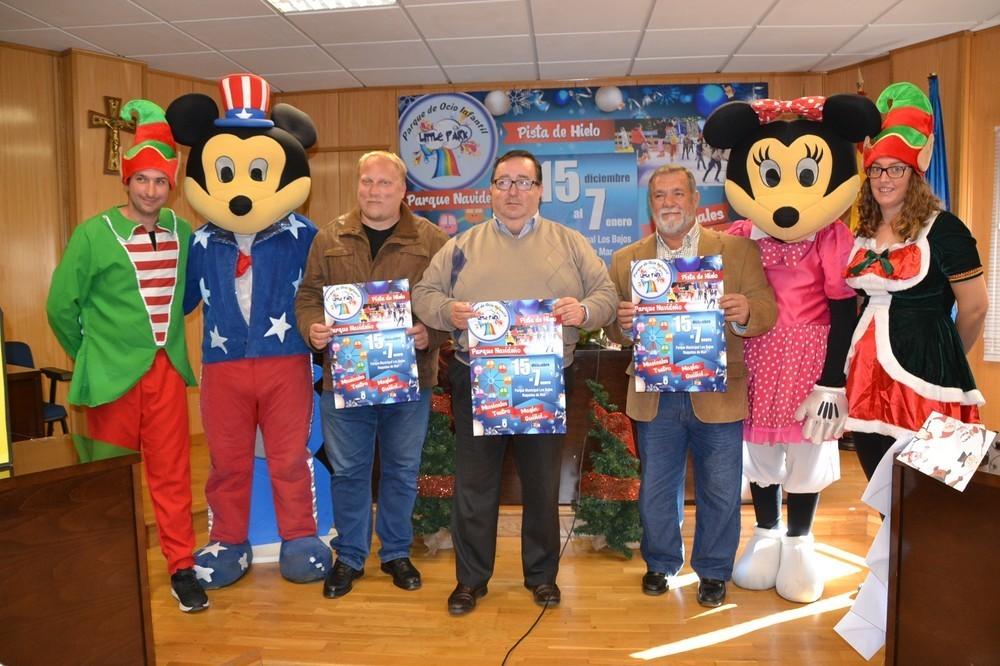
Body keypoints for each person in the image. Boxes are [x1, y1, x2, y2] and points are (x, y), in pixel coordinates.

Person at [412, 149, 618, 616]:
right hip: (477, 376)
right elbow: (424, 294)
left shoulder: (569, 243)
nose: (513, 192)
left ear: (540, 190)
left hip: (543, 379)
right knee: (475, 483)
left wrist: (582, 311)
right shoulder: (463, 245)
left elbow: (606, 295)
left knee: (542, 483)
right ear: (490, 191)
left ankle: (542, 576)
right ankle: (470, 580)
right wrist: (449, 312)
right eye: (503, 183)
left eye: (523, 183)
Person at [46, 100, 208, 613]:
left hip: (164, 375)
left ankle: (181, 566)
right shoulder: (94, 234)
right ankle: (105, 567)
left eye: (160, 182)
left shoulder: (184, 234)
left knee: (172, 476)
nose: (151, 190)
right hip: (109, 377)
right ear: (127, 180)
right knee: (106, 480)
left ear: (171, 185)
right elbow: (59, 306)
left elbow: (190, 295)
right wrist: (90, 353)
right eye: (142, 180)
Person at [604, 164, 776, 608]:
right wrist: (621, 325)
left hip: (717, 392)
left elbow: (766, 309)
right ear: (651, 205)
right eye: (659, 196)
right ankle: (661, 563)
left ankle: (714, 571)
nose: (668, 203)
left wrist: (743, 311)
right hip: (655, 393)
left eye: (677, 194)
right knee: (657, 487)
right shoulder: (628, 259)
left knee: (720, 489)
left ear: (696, 200)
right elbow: (617, 328)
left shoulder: (737, 251)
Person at [295, 151, 450, 599]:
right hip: (345, 379)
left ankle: (397, 553)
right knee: (348, 472)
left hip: (409, 381)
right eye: (367, 182)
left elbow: (447, 302)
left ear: (403, 191)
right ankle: (349, 557)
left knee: (402, 470)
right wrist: (313, 329)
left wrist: (432, 332)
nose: (374, 191)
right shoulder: (329, 238)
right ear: (358, 185)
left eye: (384, 183)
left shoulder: (432, 240)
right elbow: (307, 297)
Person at [845, 82, 988, 480]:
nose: (884, 178)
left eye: (896, 168)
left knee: (934, 500)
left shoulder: (946, 230)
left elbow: (975, 307)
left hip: (931, 381)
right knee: (883, 493)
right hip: (867, 383)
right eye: (877, 168)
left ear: (915, 172)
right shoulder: (863, 231)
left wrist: (947, 355)